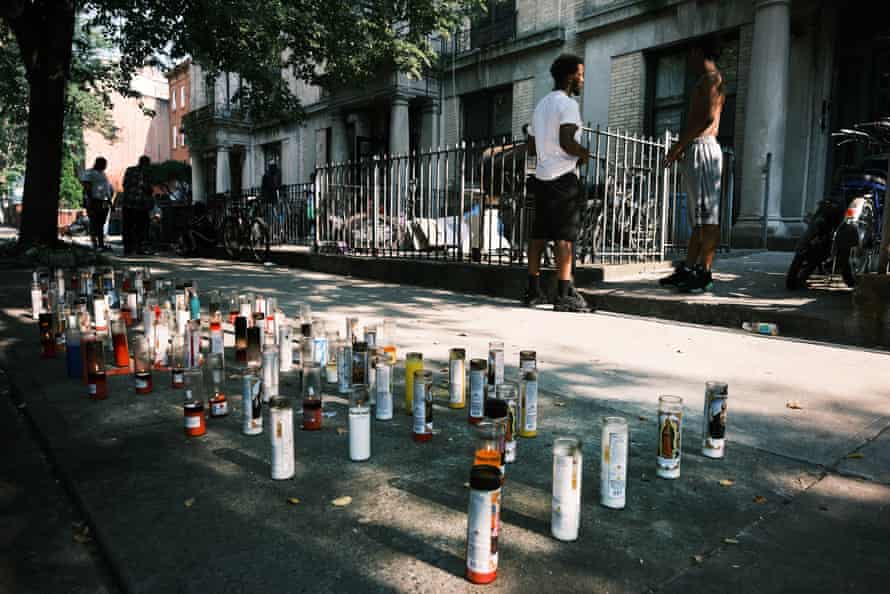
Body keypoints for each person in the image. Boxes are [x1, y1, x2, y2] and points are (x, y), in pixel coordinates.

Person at [523, 54, 591, 312]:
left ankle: (532, 291)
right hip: (563, 178)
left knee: (538, 235)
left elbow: (530, 146)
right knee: (565, 237)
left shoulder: (541, 105)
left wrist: (545, 151)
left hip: (542, 177)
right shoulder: (568, 104)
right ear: (570, 76)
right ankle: (564, 294)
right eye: (581, 75)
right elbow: (567, 141)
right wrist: (585, 154)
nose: (582, 80)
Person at [661, 36, 726, 293]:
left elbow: (708, 117)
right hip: (696, 148)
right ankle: (689, 269)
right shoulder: (705, 80)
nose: (688, 60)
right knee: (699, 219)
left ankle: (705, 272)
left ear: (700, 51)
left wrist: (679, 146)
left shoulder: (712, 79)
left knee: (708, 217)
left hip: (704, 147)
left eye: (691, 54)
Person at [121, 156, 153, 255]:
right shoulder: (147, 173)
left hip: (129, 203)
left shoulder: (130, 170)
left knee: (128, 227)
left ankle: (128, 249)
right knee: (141, 227)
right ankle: (138, 248)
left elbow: (124, 184)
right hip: (139, 205)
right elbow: (148, 189)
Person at [79, 157, 114, 251]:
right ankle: (94, 244)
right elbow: (86, 187)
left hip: (104, 201)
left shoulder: (102, 173)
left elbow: (106, 189)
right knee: (94, 222)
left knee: (101, 223)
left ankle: (101, 244)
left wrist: (110, 202)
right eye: (104, 164)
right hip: (94, 201)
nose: (105, 166)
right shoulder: (89, 173)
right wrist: (89, 200)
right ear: (99, 163)